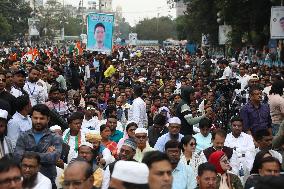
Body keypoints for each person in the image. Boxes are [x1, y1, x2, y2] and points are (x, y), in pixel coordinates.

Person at [14, 104, 62, 187]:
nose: (38, 121)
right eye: (35, 118)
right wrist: (45, 154)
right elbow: (17, 156)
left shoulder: (55, 137)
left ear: (48, 119)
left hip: (48, 180)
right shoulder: (24, 136)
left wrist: (26, 154)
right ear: (31, 118)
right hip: (25, 181)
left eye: (42, 118)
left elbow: (54, 157)